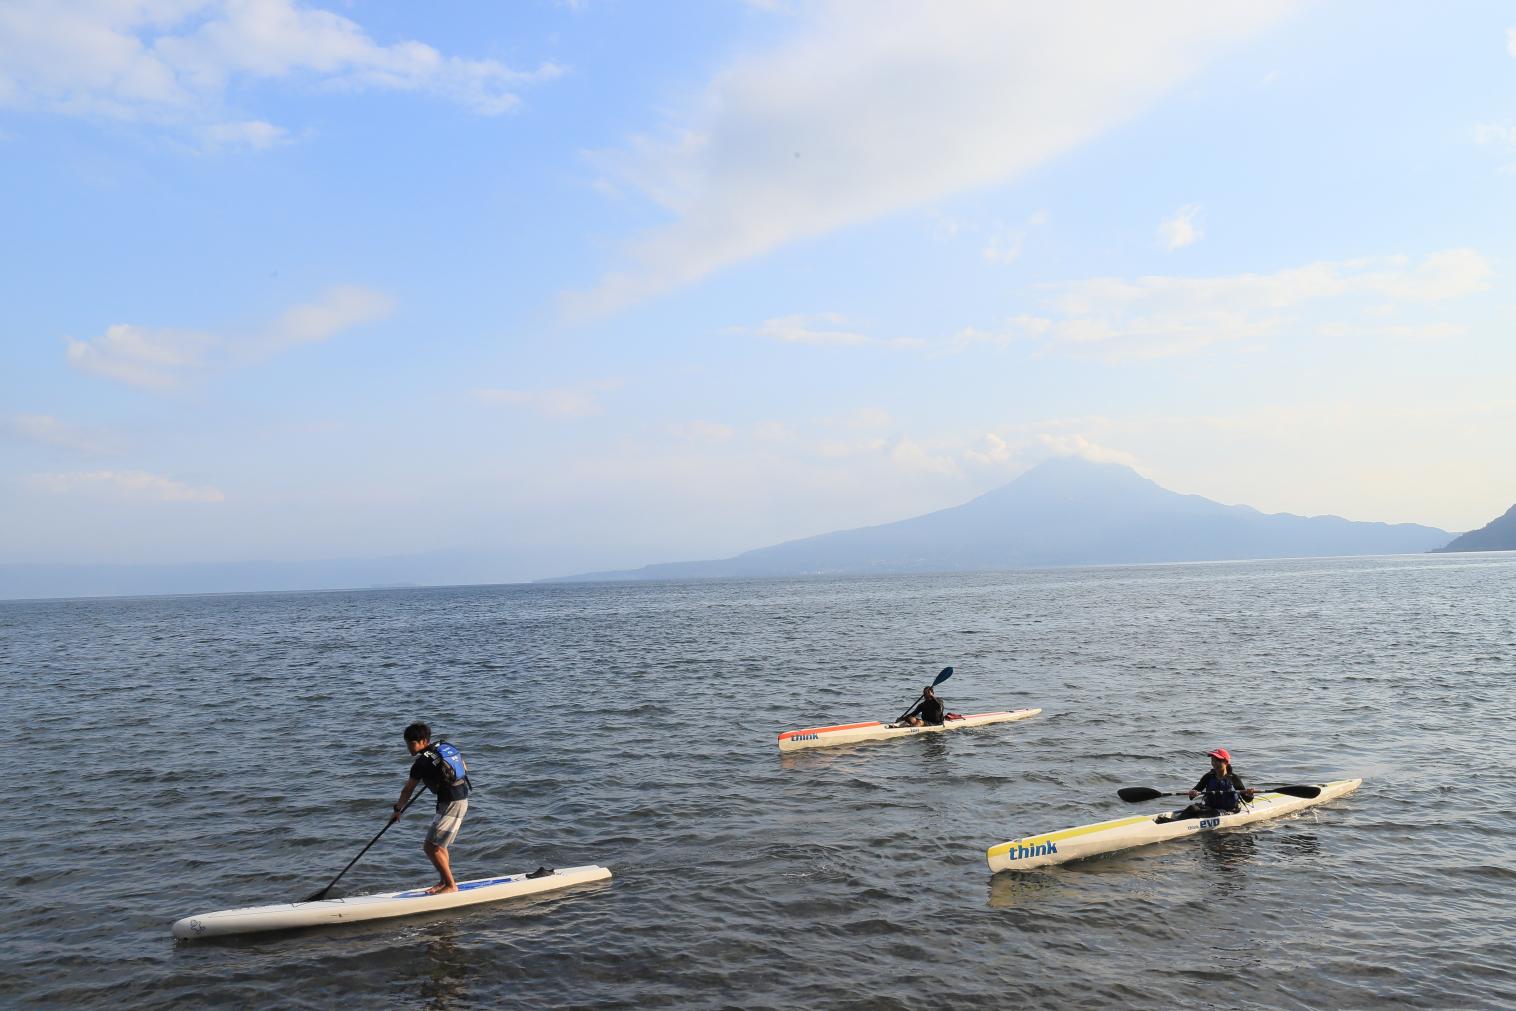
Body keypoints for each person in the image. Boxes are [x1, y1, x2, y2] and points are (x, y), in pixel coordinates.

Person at [392, 722, 471, 894]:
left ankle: (451, 886)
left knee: (430, 847)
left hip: (452, 802)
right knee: (439, 846)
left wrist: (397, 809)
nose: (409, 748)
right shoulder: (443, 747)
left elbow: (408, 789)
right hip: (455, 798)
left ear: (423, 741)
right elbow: (464, 767)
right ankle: (444, 882)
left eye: (412, 744)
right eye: (407, 744)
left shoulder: (421, 763)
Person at [1155, 747, 1256, 823]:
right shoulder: (1208, 776)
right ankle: (1174, 823)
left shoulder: (1233, 778)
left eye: (1217, 760)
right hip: (1210, 806)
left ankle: (1176, 824)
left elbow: (1247, 799)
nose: (1214, 763)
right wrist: (1193, 793)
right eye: (1212, 760)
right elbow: (1193, 794)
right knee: (1192, 808)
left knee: (1205, 814)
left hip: (1229, 810)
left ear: (1226, 762)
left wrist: (1250, 794)